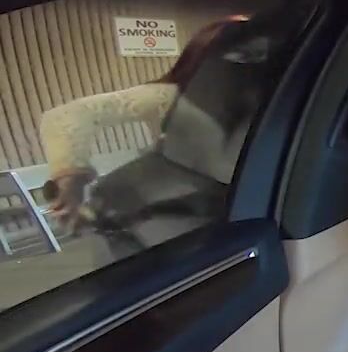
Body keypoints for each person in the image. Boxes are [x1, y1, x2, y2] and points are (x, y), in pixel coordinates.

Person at [39, 16, 248, 234]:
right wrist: (70, 182)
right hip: (191, 215)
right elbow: (65, 116)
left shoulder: (262, 100)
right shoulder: (172, 96)